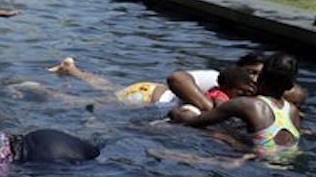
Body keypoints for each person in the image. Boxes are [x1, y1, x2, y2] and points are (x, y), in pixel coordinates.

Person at [168, 52, 302, 158]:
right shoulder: (293, 110)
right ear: (290, 85)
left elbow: (194, 122)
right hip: (288, 157)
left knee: (214, 135)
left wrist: (180, 114)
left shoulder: (246, 104)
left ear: (260, 77)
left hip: (259, 159)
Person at [48, 53, 265, 107]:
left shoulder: (249, 92)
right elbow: (176, 78)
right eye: (250, 72)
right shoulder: (215, 78)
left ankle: (71, 69)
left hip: (147, 92)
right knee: (82, 103)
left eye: (258, 74)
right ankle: (37, 89)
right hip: (146, 97)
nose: (253, 78)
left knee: (106, 87)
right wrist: (209, 108)